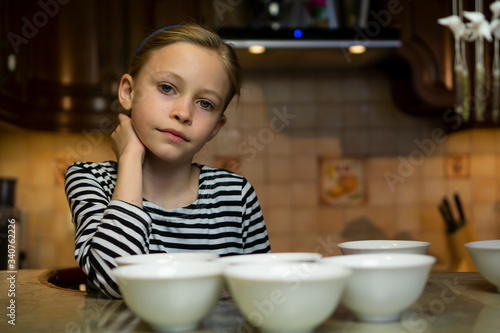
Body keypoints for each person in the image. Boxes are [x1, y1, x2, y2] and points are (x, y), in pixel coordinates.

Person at [64, 23, 271, 298]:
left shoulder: (237, 196)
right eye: (167, 88)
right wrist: (130, 157)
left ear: (216, 127)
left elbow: (265, 294)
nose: (183, 113)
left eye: (205, 103)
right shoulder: (90, 180)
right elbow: (114, 280)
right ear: (128, 92)